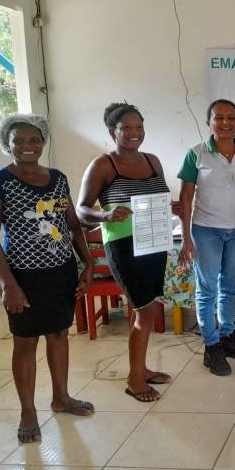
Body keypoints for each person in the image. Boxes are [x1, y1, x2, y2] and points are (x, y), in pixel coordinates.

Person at [0, 114, 95, 443]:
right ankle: (28, 411)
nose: (27, 146)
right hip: (22, 277)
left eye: (34, 140)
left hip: (60, 273)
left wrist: (87, 264)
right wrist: (8, 285)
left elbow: (73, 226)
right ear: (7, 144)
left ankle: (62, 398)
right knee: (25, 342)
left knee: (59, 334)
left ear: (43, 142)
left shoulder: (57, 178)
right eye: (19, 140)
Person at [77, 103, 172, 402]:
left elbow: (160, 198)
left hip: (154, 242)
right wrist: (105, 216)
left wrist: (173, 207)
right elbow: (81, 210)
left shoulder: (153, 161)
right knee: (145, 311)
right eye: (126, 128)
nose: (134, 133)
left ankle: (141, 369)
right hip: (124, 246)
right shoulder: (103, 165)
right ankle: (134, 379)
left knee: (148, 307)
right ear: (112, 132)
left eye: (139, 127)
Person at [177, 99, 235, 376]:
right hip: (206, 230)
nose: (225, 123)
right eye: (219, 118)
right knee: (207, 290)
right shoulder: (196, 154)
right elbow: (186, 197)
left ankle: (227, 336)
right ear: (208, 123)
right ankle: (211, 345)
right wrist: (187, 237)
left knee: (230, 287)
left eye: (231, 118)